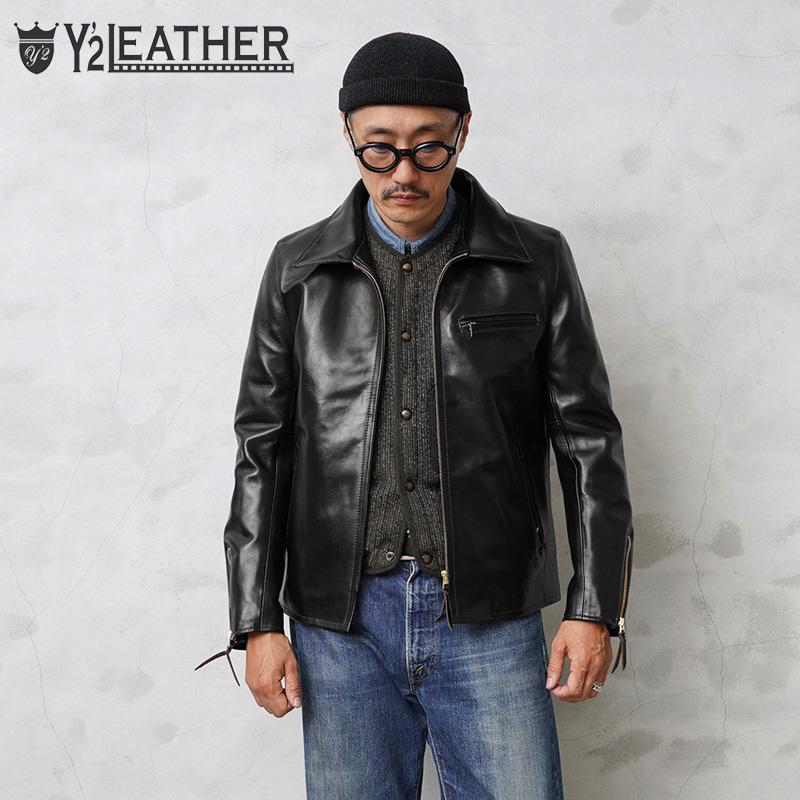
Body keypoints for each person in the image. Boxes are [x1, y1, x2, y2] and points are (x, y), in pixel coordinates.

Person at [196, 31, 635, 799]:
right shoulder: (298, 270)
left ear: (462, 133)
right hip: (339, 630)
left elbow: (588, 444)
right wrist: (256, 620)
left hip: (489, 618)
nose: (404, 172)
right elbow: (262, 449)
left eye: (428, 147)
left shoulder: (534, 263)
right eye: (380, 148)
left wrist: (595, 608)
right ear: (348, 134)